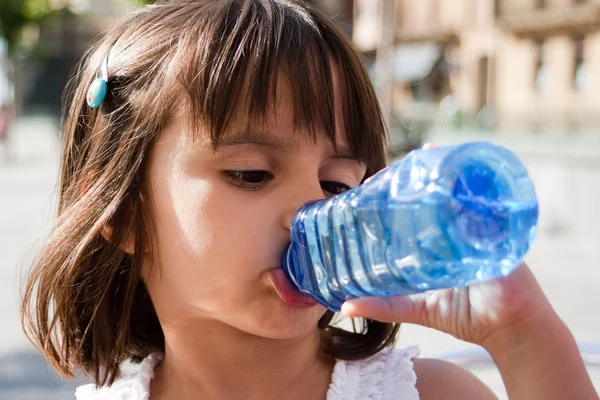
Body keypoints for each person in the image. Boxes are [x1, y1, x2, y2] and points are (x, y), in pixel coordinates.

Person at [20, 1, 597, 399]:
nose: (309, 210)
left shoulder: (430, 395)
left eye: (337, 184)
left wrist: (522, 336)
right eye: (250, 173)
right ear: (123, 214)